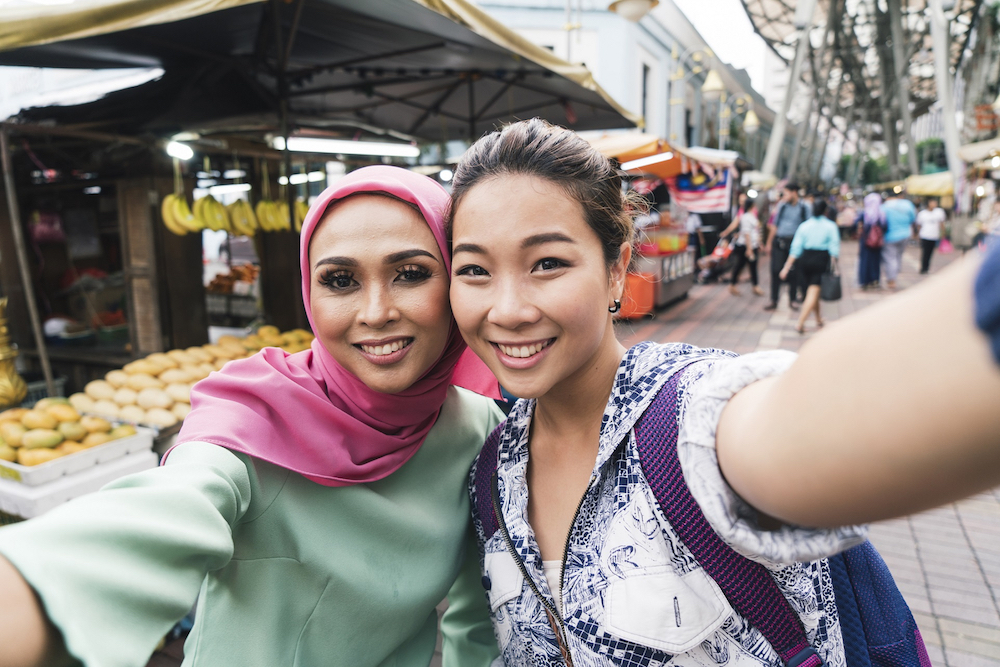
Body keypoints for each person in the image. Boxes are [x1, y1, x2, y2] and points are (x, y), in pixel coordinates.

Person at [446, 119, 1000, 667]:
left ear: (617, 270)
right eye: (474, 269)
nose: (508, 309)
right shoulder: (492, 468)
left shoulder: (688, 418)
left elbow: (804, 419)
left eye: (548, 263)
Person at [0, 166, 505, 667]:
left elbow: (478, 614)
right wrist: (36, 587)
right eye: (341, 280)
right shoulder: (254, 416)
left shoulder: (476, 428)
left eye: (411, 273)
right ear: (310, 292)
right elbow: (171, 509)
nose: (375, 312)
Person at [779, 199, 840, 334]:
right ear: (826, 211)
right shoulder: (830, 226)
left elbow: (795, 248)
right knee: (813, 292)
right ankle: (800, 323)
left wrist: (786, 267)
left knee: (812, 293)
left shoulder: (804, 226)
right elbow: (834, 249)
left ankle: (818, 319)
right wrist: (835, 266)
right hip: (821, 260)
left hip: (804, 261)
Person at [763, 181, 810, 311]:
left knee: (794, 272)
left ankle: (793, 299)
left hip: (795, 243)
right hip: (779, 241)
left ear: (794, 192)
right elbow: (774, 226)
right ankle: (773, 299)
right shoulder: (782, 206)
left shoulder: (804, 207)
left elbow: (808, 227)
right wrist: (768, 243)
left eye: (786, 193)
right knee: (775, 270)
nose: (784, 196)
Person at [720, 198, 764, 297]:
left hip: (751, 245)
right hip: (745, 246)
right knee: (741, 266)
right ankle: (739, 285)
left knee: (745, 266)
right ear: (752, 205)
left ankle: (750, 286)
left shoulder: (751, 216)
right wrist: (749, 249)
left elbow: (754, 232)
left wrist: (758, 243)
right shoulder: (745, 217)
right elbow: (747, 233)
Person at [880, 192, 917, 289]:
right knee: (898, 255)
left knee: (890, 258)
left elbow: (881, 221)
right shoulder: (907, 204)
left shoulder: (885, 205)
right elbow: (913, 218)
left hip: (890, 236)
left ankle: (892, 280)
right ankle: (896, 271)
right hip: (905, 235)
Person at [856, 192, 886, 289]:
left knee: (865, 261)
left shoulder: (865, 213)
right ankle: (875, 280)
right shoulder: (882, 214)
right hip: (877, 242)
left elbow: (855, 223)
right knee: (875, 261)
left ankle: (864, 281)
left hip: (865, 241)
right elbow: (885, 227)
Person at [916, 198, 947, 274]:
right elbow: (919, 225)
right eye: (932, 203)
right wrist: (917, 235)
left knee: (930, 253)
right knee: (924, 252)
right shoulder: (922, 214)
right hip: (924, 235)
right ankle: (923, 268)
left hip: (934, 235)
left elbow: (941, 223)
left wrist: (943, 233)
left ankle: (927, 268)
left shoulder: (939, 212)